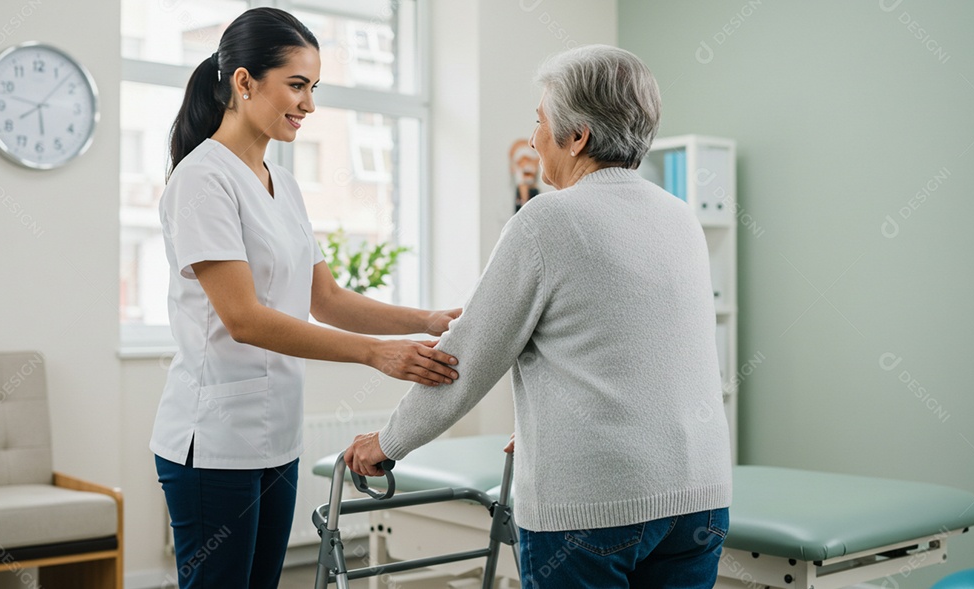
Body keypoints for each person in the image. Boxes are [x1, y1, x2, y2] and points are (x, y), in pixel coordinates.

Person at [346, 44, 733, 588]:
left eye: (539, 122)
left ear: (577, 137)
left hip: (594, 507)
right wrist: (552, 424)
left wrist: (386, 445)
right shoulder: (679, 216)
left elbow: (463, 361)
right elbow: (641, 351)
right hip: (700, 496)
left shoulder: (546, 220)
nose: (532, 139)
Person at [149, 8, 461, 589]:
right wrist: (375, 354)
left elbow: (327, 298)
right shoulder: (201, 180)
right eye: (297, 85)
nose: (309, 105)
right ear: (244, 82)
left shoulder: (283, 182)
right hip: (212, 439)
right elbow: (243, 319)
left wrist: (428, 318)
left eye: (313, 88)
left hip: (276, 434)